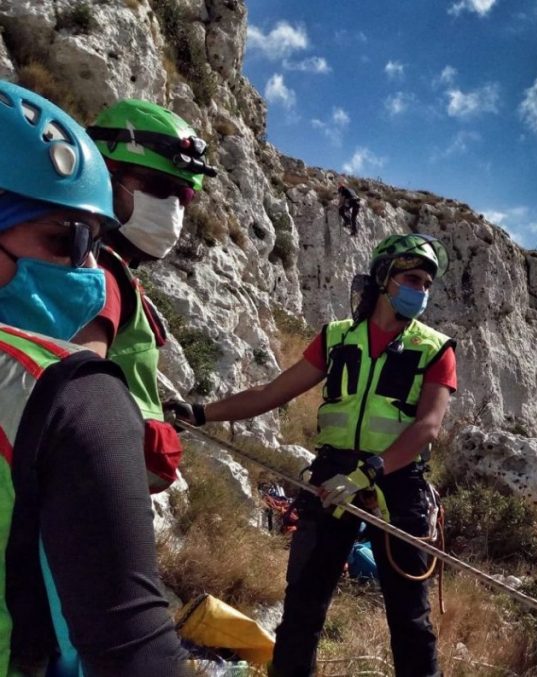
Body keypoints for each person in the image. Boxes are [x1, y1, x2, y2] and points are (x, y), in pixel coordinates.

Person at [166, 233, 456, 677]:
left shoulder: (435, 348)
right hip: (331, 475)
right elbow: (271, 392)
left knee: (409, 619)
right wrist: (202, 412)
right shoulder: (338, 339)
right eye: (412, 278)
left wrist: (368, 475)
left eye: (426, 284)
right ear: (384, 277)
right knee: (303, 605)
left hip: (397, 484)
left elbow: (427, 426)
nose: (421, 290)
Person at [0, 80, 186, 675]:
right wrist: (118, 435)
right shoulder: (66, 383)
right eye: (159, 189)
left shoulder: (116, 281)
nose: (84, 268)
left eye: (94, 242)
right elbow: (76, 377)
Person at [72, 99, 217, 493]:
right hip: (89, 493)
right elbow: (73, 404)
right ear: (102, 174)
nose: (172, 207)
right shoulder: (97, 278)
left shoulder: (108, 270)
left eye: (182, 196)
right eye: (156, 187)